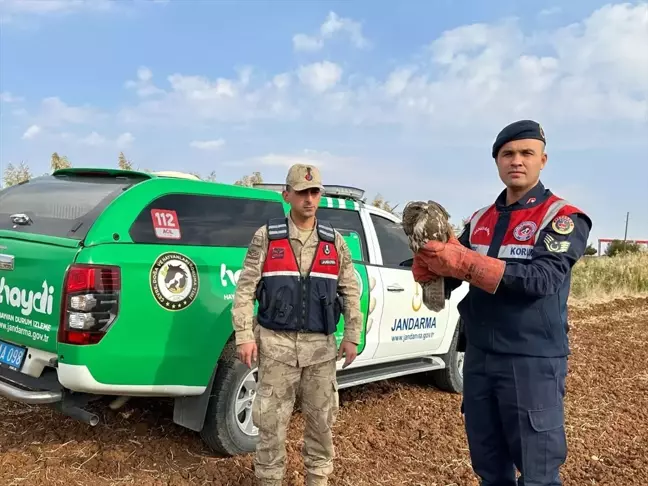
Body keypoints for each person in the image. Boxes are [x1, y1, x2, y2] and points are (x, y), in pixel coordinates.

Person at [411, 120, 592, 485]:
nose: (517, 161)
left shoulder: (562, 218)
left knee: (538, 473)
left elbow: (542, 280)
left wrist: (464, 262)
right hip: (479, 358)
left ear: (543, 159)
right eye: (508, 153)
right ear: (496, 161)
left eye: (526, 153)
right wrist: (427, 263)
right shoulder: (480, 219)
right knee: (489, 468)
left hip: (530, 360)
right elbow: (452, 271)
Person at [232, 163, 363, 486]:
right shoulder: (267, 237)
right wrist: (244, 336)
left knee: (321, 425)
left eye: (315, 191)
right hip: (276, 347)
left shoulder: (335, 242)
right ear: (287, 195)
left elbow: (350, 291)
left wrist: (352, 336)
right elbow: (245, 290)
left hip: (320, 351)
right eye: (302, 192)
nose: (309, 198)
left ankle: (317, 480)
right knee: (270, 427)